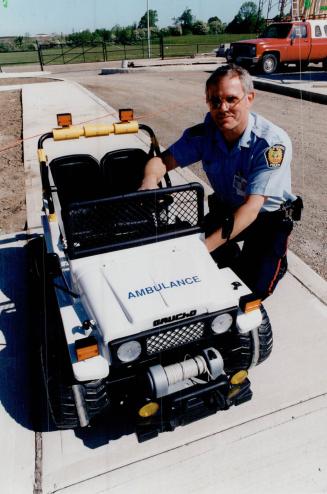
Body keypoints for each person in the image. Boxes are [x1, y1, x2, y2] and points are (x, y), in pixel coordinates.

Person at [140, 64, 301, 300]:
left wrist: (203, 249)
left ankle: (269, 260)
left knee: (250, 293)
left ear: (249, 98)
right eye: (215, 101)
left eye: (231, 99)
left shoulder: (270, 144)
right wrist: (149, 180)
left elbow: (251, 209)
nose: (222, 108)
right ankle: (228, 254)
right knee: (187, 264)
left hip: (266, 218)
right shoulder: (206, 134)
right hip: (227, 210)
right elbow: (162, 161)